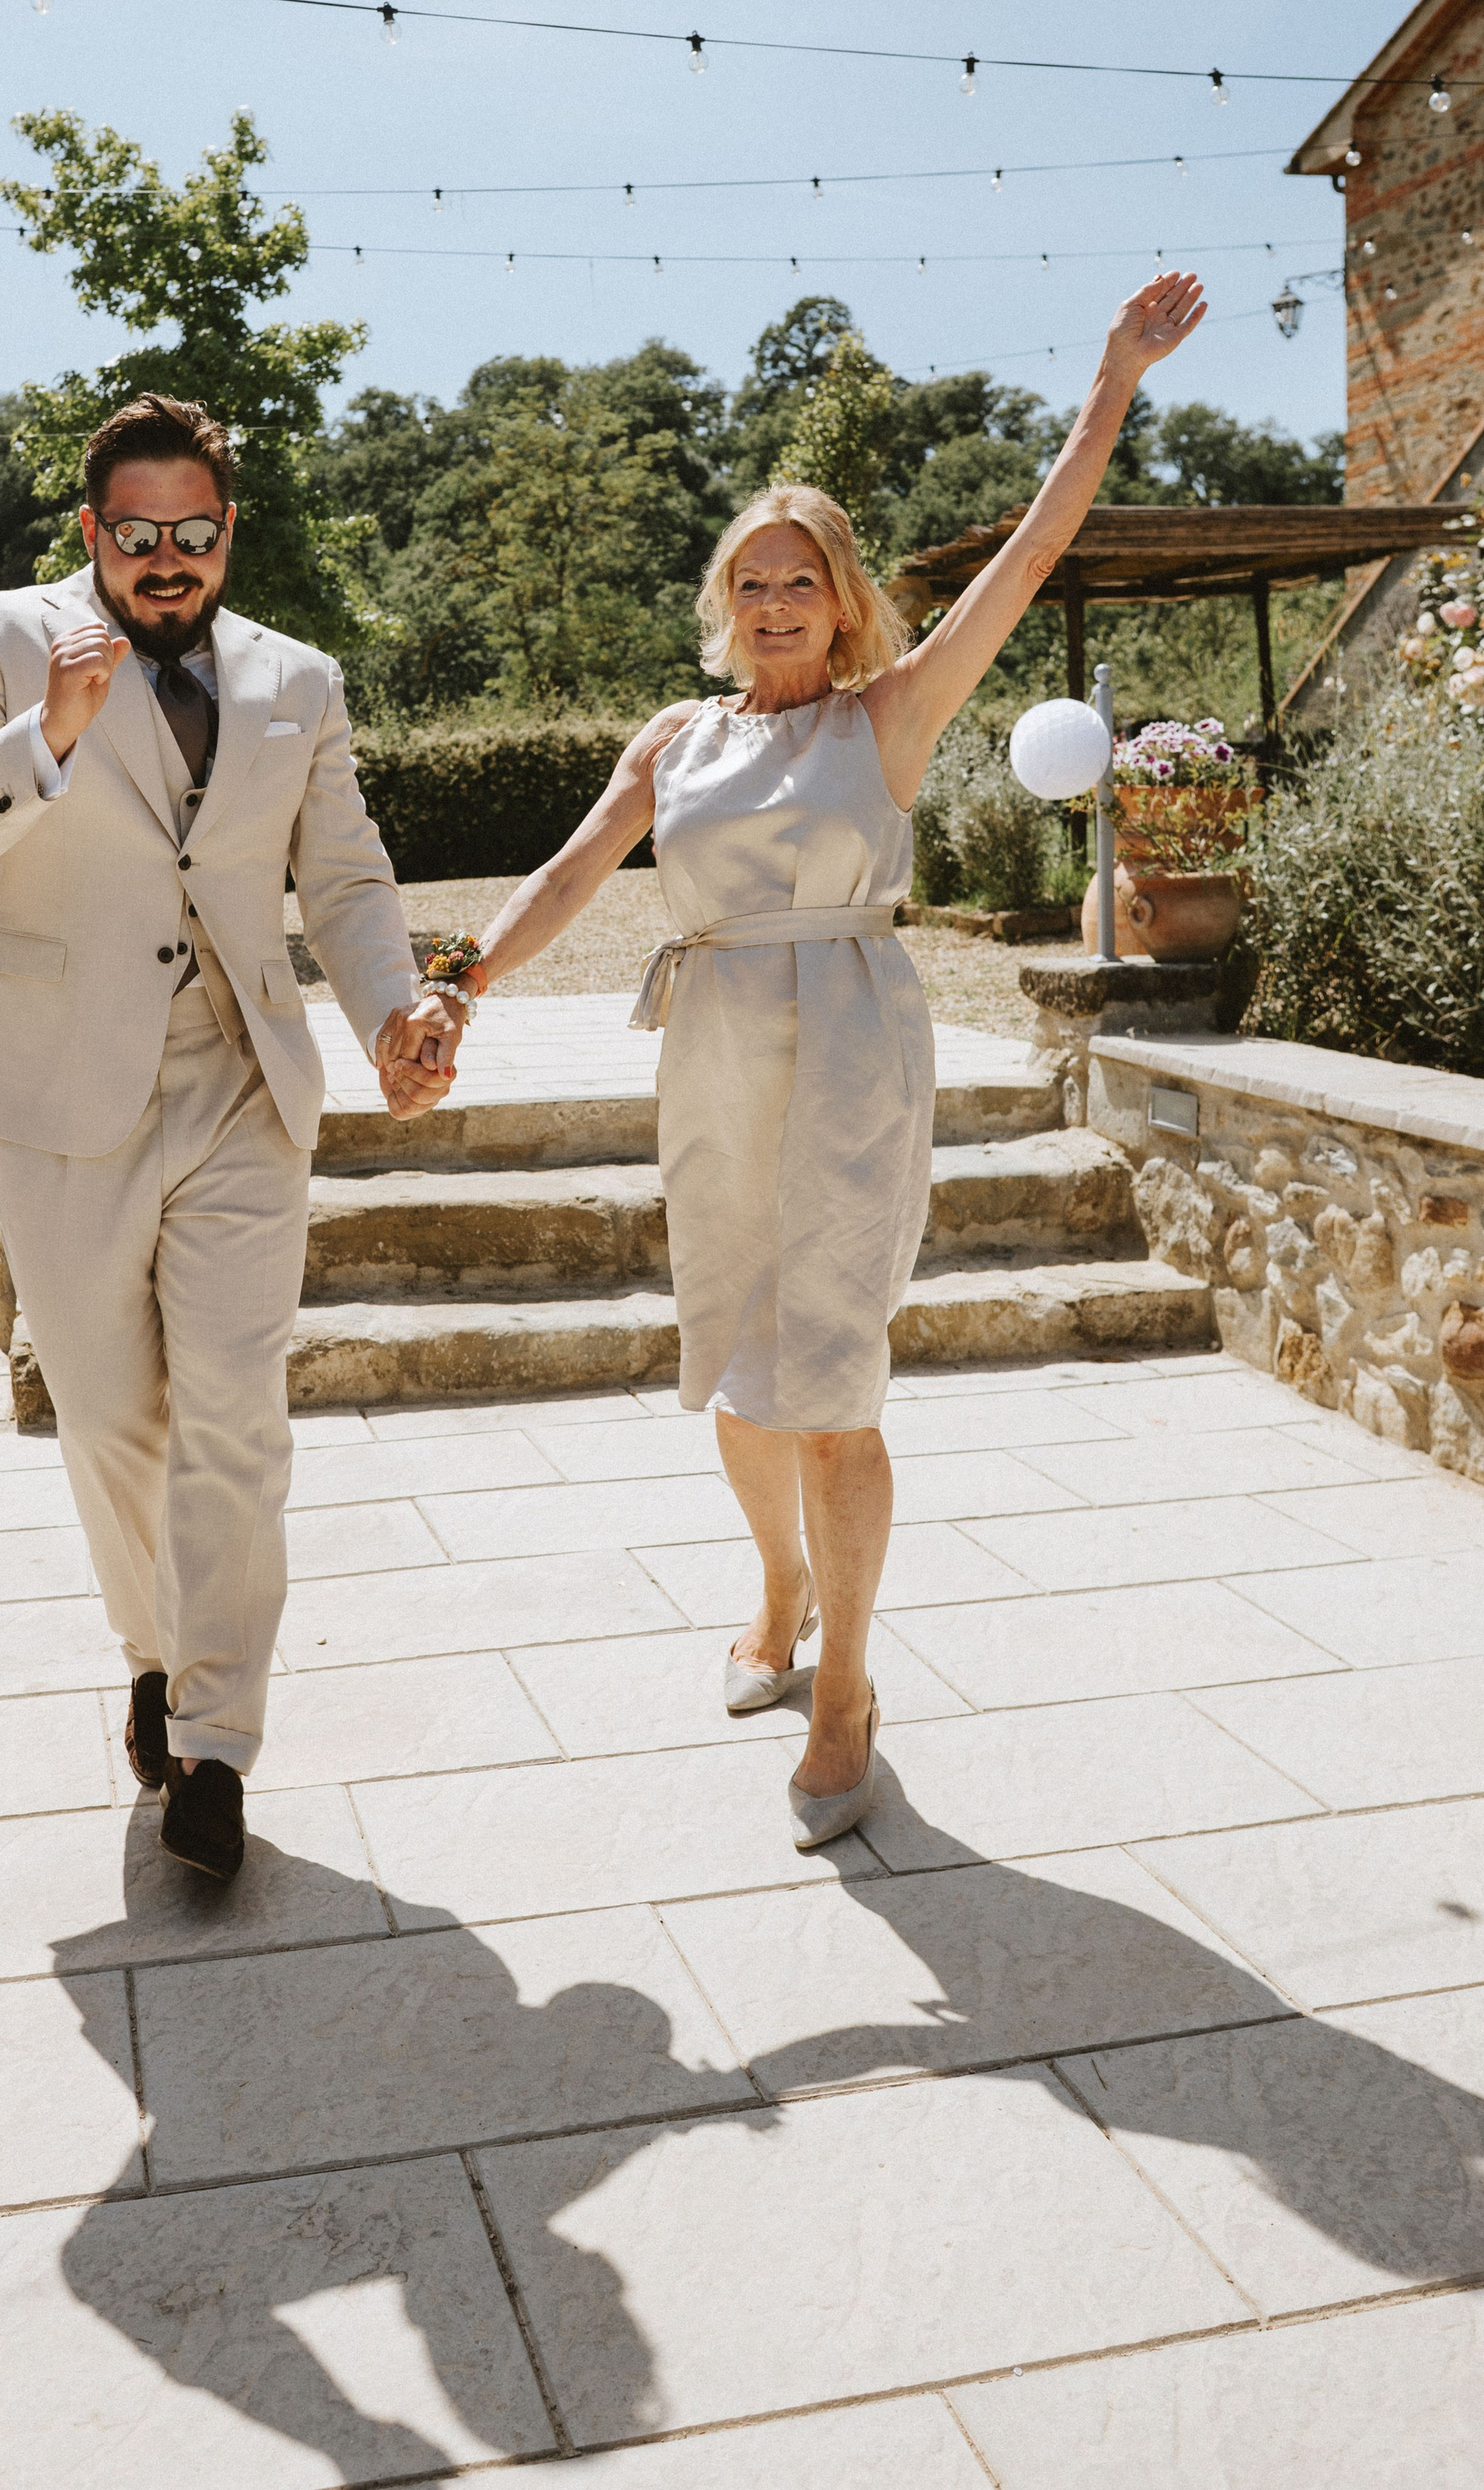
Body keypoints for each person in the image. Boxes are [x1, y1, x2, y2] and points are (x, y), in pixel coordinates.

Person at [423, 274, 1207, 1852]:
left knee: (832, 1380)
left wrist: (1109, 384)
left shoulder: (891, 715)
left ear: (842, 600)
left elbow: (1031, 549)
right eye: (750, 582)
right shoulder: (675, 739)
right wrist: (461, 982)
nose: (774, 603)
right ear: (724, 603)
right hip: (709, 1046)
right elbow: (576, 868)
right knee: (729, 1355)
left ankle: (843, 1685)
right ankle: (773, 1591)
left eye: (800, 581)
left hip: (852, 1048)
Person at [0, 393, 461, 1881]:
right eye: (135, 535)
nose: (165, 560)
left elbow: (343, 879)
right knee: (112, 1417)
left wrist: (395, 1011)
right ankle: (152, 1653)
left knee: (234, 1415)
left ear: (226, 534)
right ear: (92, 532)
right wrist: (53, 728)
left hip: (240, 1083)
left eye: (191, 535)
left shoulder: (298, 679)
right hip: (64, 1089)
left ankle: (215, 1743)